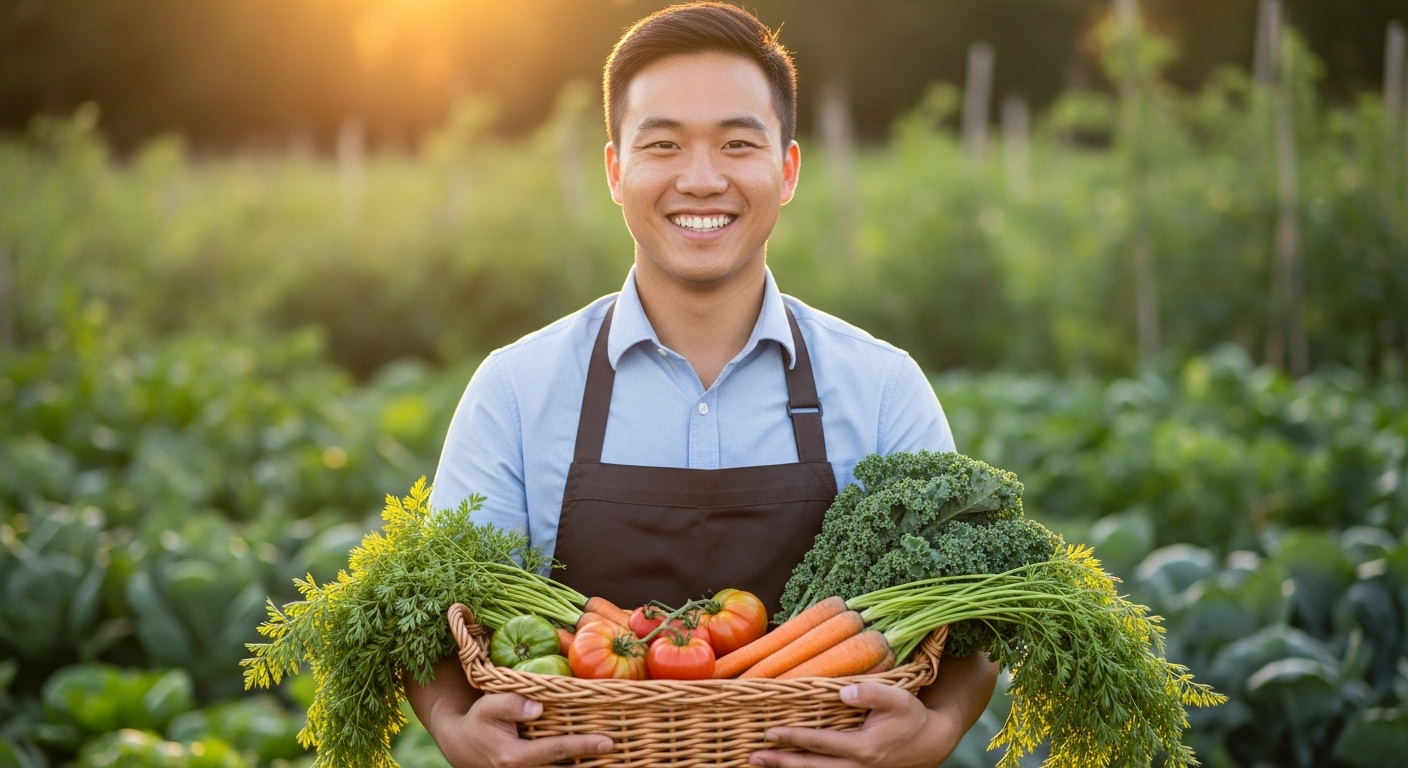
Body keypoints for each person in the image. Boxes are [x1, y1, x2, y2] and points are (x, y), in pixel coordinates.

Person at [406, 4, 998, 766]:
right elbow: (432, 615)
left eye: (736, 143)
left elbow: (976, 630)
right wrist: (456, 729)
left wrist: (939, 729)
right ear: (616, 170)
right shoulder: (516, 391)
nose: (701, 178)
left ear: (785, 171)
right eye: (664, 144)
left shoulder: (882, 388)